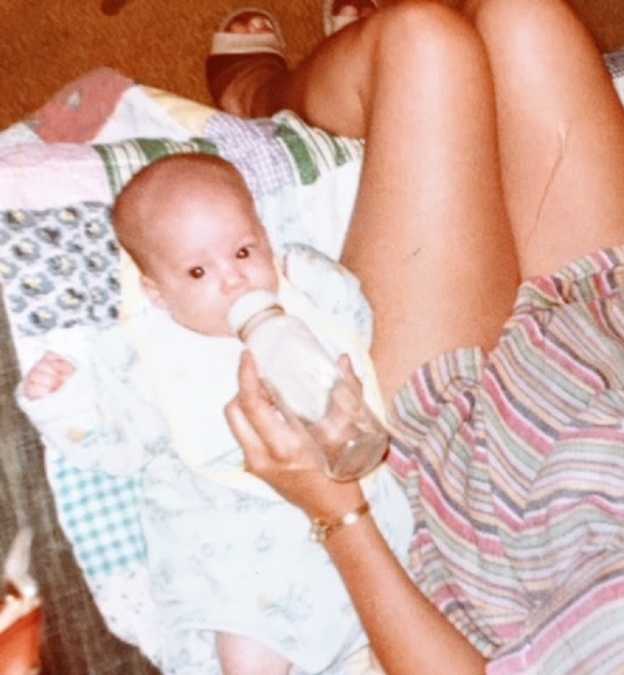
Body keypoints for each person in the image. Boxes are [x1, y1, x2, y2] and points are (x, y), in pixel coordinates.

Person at [210, 1, 624, 672]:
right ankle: (287, 93)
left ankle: (252, 92)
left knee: (421, 44)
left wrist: (340, 514)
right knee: (523, 13)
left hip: (476, 471)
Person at [17, 153, 413, 675]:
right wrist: (61, 402)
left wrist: (316, 277)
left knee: (398, 624)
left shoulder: (299, 300)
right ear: (158, 293)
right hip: (237, 557)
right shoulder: (147, 356)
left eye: (244, 251)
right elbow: (118, 446)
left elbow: (356, 324)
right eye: (199, 271)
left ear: (266, 241)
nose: (234, 280)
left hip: (357, 528)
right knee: (246, 652)